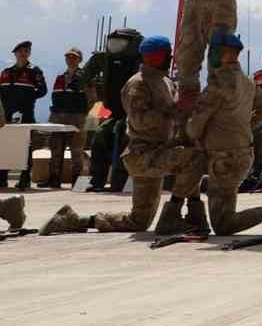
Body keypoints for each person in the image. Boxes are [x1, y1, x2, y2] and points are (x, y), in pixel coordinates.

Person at [40, 36, 203, 236]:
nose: (171, 58)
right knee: (193, 159)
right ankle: (183, 214)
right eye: (167, 54)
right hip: (144, 154)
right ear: (158, 56)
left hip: (160, 151)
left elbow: (177, 115)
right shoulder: (138, 84)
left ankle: (75, 220)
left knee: (138, 222)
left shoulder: (166, 82)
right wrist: (174, 109)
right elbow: (140, 120)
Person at [188, 32, 262, 236]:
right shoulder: (247, 82)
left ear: (223, 53)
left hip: (223, 157)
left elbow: (194, 128)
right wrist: (245, 127)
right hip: (241, 152)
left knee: (224, 225)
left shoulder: (218, 84)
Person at [85, 27, 142, 193]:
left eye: (120, 42)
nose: (115, 46)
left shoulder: (140, 63)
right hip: (114, 113)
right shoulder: (106, 61)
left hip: (134, 115)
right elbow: (86, 77)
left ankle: (120, 181)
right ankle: (97, 180)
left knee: (123, 140)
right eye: (113, 42)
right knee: (99, 139)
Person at [0, 42, 46, 188]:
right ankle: (2, 178)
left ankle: (25, 178)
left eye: (26, 51)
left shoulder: (34, 71)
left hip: (25, 114)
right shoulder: (6, 72)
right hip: (7, 115)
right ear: (15, 53)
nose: (23, 53)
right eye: (20, 51)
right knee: (6, 146)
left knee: (26, 146)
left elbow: (42, 90)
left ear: (29, 53)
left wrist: (28, 98)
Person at [44, 46, 91, 187]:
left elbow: (92, 99)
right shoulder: (60, 77)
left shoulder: (85, 77)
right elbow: (55, 96)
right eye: (68, 57)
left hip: (77, 117)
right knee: (55, 148)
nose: (70, 60)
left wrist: (84, 114)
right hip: (58, 116)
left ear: (80, 60)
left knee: (77, 150)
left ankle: (77, 181)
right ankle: (53, 179)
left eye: (74, 57)